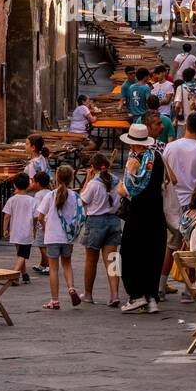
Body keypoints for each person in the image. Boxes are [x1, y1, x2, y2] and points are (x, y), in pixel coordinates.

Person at [159, 113, 196, 299]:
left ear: (186, 127)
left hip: (173, 201)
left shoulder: (170, 147)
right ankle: (189, 288)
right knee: (194, 246)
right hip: (194, 203)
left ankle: (161, 284)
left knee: (171, 245)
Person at [116, 123, 167, 314]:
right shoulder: (158, 158)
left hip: (139, 214)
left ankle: (136, 295)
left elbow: (126, 189)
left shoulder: (134, 161)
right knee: (153, 255)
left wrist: (127, 176)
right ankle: (151, 297)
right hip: (156, 212)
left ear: (134, 144)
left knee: (129, 254)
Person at [39, 164, 84, 309]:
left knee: (53, 268)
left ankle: (55, 300)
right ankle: (71, 288)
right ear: (71, 179)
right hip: (67, 237)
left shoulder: (50, 195)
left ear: (56, 178)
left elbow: (40, 216)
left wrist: (46, 227)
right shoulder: (75, 196)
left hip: (52, 236)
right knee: (67, 264)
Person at [80, 153, 122, 306]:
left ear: (92, 167)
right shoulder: (117, 181)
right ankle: (115, 293)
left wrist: (87, 179)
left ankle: (88, 294)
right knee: (112, 259)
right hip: (114, 221)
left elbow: (82, 200)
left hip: (96, 222)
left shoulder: (94, 184)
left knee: (91, 260)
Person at [2, 172, 36, 285]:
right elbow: (36, 217)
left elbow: (6, 216)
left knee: (20, 254)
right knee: (23, 255)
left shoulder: (12, 200)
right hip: (26, 231)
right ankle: (14, 275)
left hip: (15, 231)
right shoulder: (32, 200)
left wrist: (5, 229)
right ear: (28, 185)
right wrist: (35, 229)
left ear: (14, 185)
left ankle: (24, 274)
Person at [30, 169, 52, 275]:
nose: (32, 184)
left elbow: (37, 212)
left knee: (42, 245)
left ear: (37, 183)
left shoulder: (38, 195)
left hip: (42, 222)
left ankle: (48, 265)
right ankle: (43, 263)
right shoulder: (50, 193)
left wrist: (35, 225)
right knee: (44, 244)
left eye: (33, 182)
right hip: (50, 221)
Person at [150, 66, 176, 136]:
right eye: (155, 74)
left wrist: (156, 104)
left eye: (158, 74)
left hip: (165, 113)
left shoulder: (169, 85)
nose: (156, 76)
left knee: (163, 134)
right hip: (154, 113)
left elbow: (167, 100)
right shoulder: (154, 86)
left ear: (163, 73)